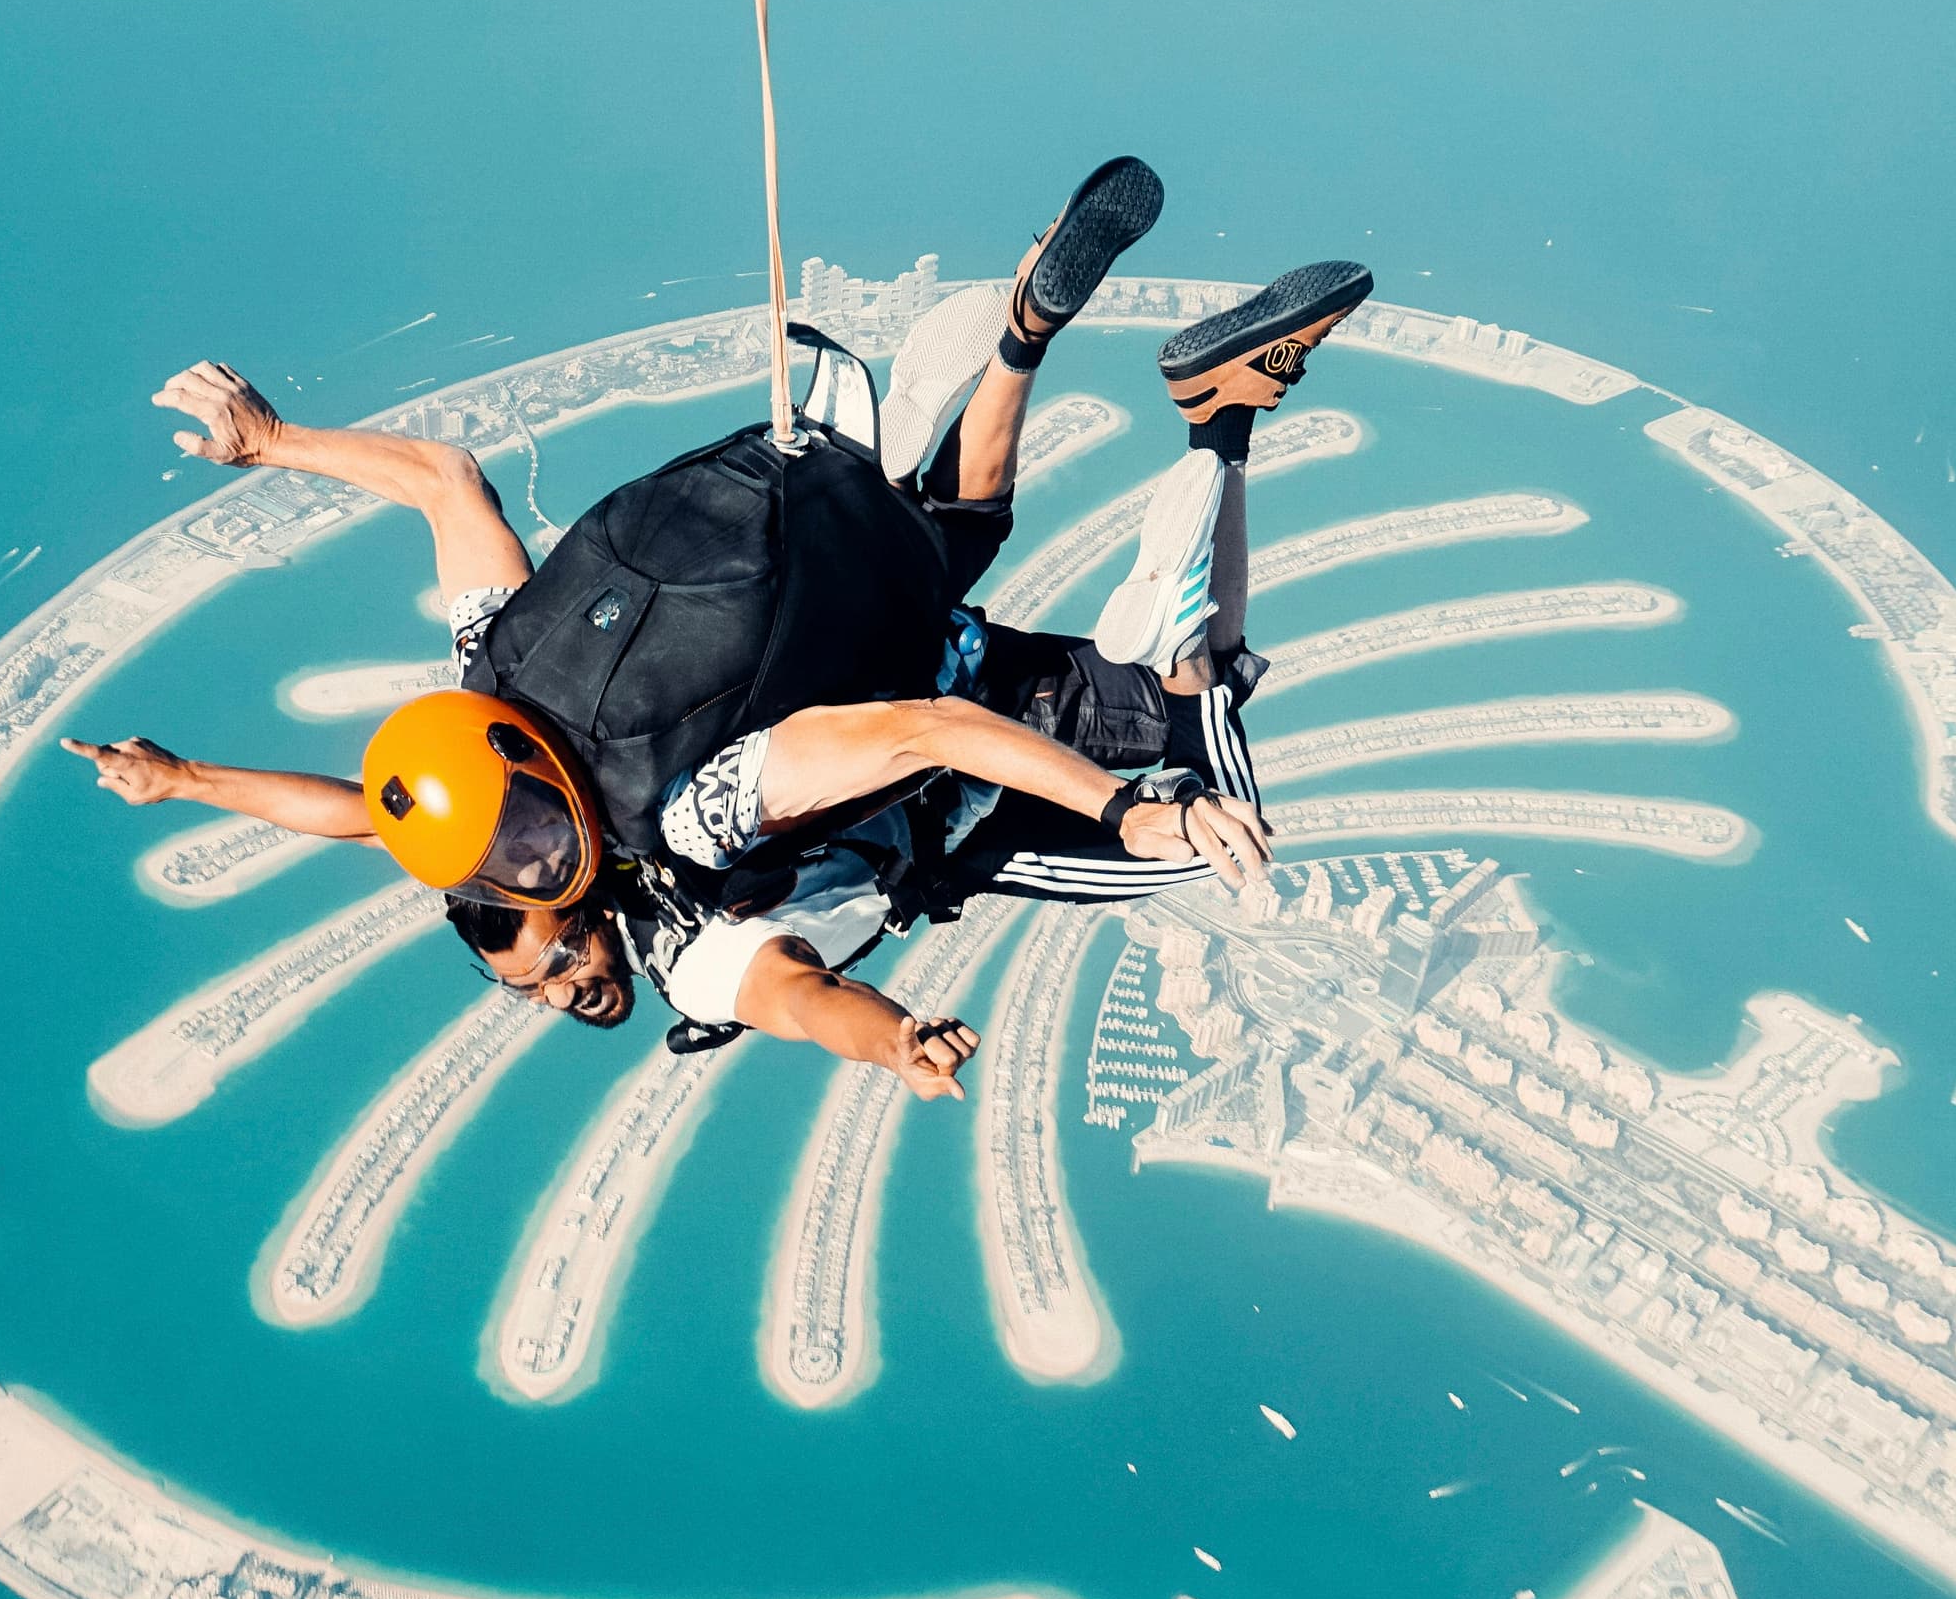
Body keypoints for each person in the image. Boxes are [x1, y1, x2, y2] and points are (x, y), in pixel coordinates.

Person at [68, 161, 1371, 1099]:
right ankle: (1022, 340)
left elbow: (793, 989)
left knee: (1203, 744)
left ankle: (1217, 419)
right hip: (859, 615)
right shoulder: (493, 684)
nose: (563, 987)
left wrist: (1107, 833)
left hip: (946, 753)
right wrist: (276, 454)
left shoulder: (681, 872)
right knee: (952, 533)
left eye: (542, 967)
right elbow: (436, 520)